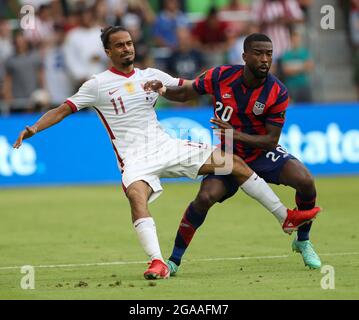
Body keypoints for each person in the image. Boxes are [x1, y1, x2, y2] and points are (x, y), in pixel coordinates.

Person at [13, 27, 320, 280]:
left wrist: (163, 88)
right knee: (137, 197)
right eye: (119, 45)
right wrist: (34, 128)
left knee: (232, 162)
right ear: (108, 52)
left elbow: (185, 89)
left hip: (167, 146)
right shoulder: (97, 85)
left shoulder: (150, 73)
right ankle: (159, 262)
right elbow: (63, 110)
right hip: (134, 158)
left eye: (129, 43)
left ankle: (286, 218)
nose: (126, 49)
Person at [144, 33, 322, 275]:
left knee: (305, 181)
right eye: (258, 53)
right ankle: (174, 260)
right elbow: (187, 92)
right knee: (205, 198)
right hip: (228, 155)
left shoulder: (277, 91)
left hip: (260, 153)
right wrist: (163, 89)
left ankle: (302, 240)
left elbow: (271, 141)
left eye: (269, 54)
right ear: (244, 56)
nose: (264, 59)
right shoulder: (220, 76)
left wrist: (235, 134)